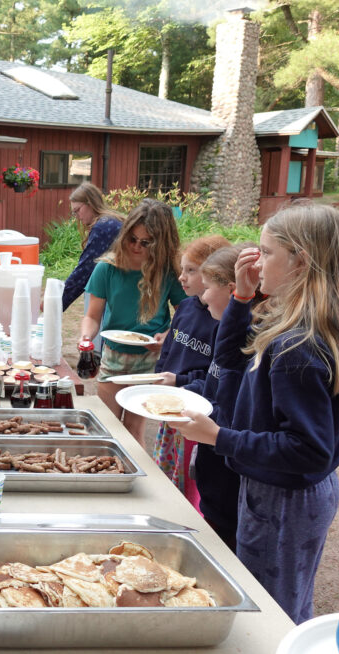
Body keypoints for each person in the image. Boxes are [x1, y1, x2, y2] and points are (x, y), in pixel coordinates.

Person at [178, 202, 339, 624]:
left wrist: (218, 437)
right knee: (278, 597)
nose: (255, 260)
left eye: (267, 252)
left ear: (300, 261)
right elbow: (229, 359)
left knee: (271, 612)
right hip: (281, 489)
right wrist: (242, 297)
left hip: (284, 498)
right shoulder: (295, 321)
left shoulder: (296, 346)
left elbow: (308, 449)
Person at [79, 198, 187, 446]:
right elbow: (92, 316)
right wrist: (85, 337)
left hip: (150, 358)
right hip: (114, 355)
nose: (137, 246)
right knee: (106, 428)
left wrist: (168, 336)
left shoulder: (167, 271)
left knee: (133, 430)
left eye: (146, 242)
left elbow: (185, 314)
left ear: (161, 243)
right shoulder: (107, 268)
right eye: (132, 239)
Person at [176, 244, 249, 551]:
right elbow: (213, 385)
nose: (203, 298)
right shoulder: (225, 331)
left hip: (230, 480)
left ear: (233, 290)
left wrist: (212, 427)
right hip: (213, 477)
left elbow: (234, 410)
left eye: (207, 289)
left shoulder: (247, 342)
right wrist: (181, 394)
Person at [150, 235, 230, 507]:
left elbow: (214, 375)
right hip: (172, 405)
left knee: (190, 476)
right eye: (181, 269)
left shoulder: (221, 320)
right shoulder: (184, 308)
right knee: (166, 470)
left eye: (191, 270)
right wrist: (159, 378)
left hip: (197, 414)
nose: (182, 277)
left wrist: (180, 381)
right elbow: (169, 351)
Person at [62, 181, 124, 312]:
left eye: (78, 210)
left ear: (90, 203)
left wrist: (57, 301)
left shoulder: (102, 227)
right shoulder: (110, 220)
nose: (77, 217)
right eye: (74, 213)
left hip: (116, 295)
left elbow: (85, 270)